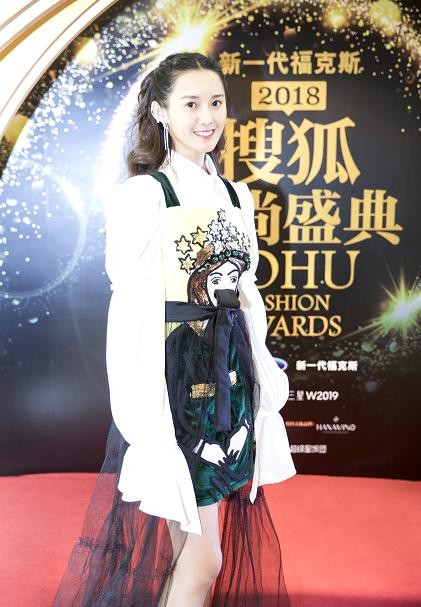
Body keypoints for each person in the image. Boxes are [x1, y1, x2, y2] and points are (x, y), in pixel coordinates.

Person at [53, 51, 296, 607]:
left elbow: (247, 299)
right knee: (204, 560)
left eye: (216, 103)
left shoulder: (236, 195)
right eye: (190, 104)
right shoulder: (145, 195)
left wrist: (260, 377)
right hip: (176, 388)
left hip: (230, 381)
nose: (206, 117)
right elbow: (131, 311)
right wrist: (144, 415)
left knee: (196, 557)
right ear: (161, 111)